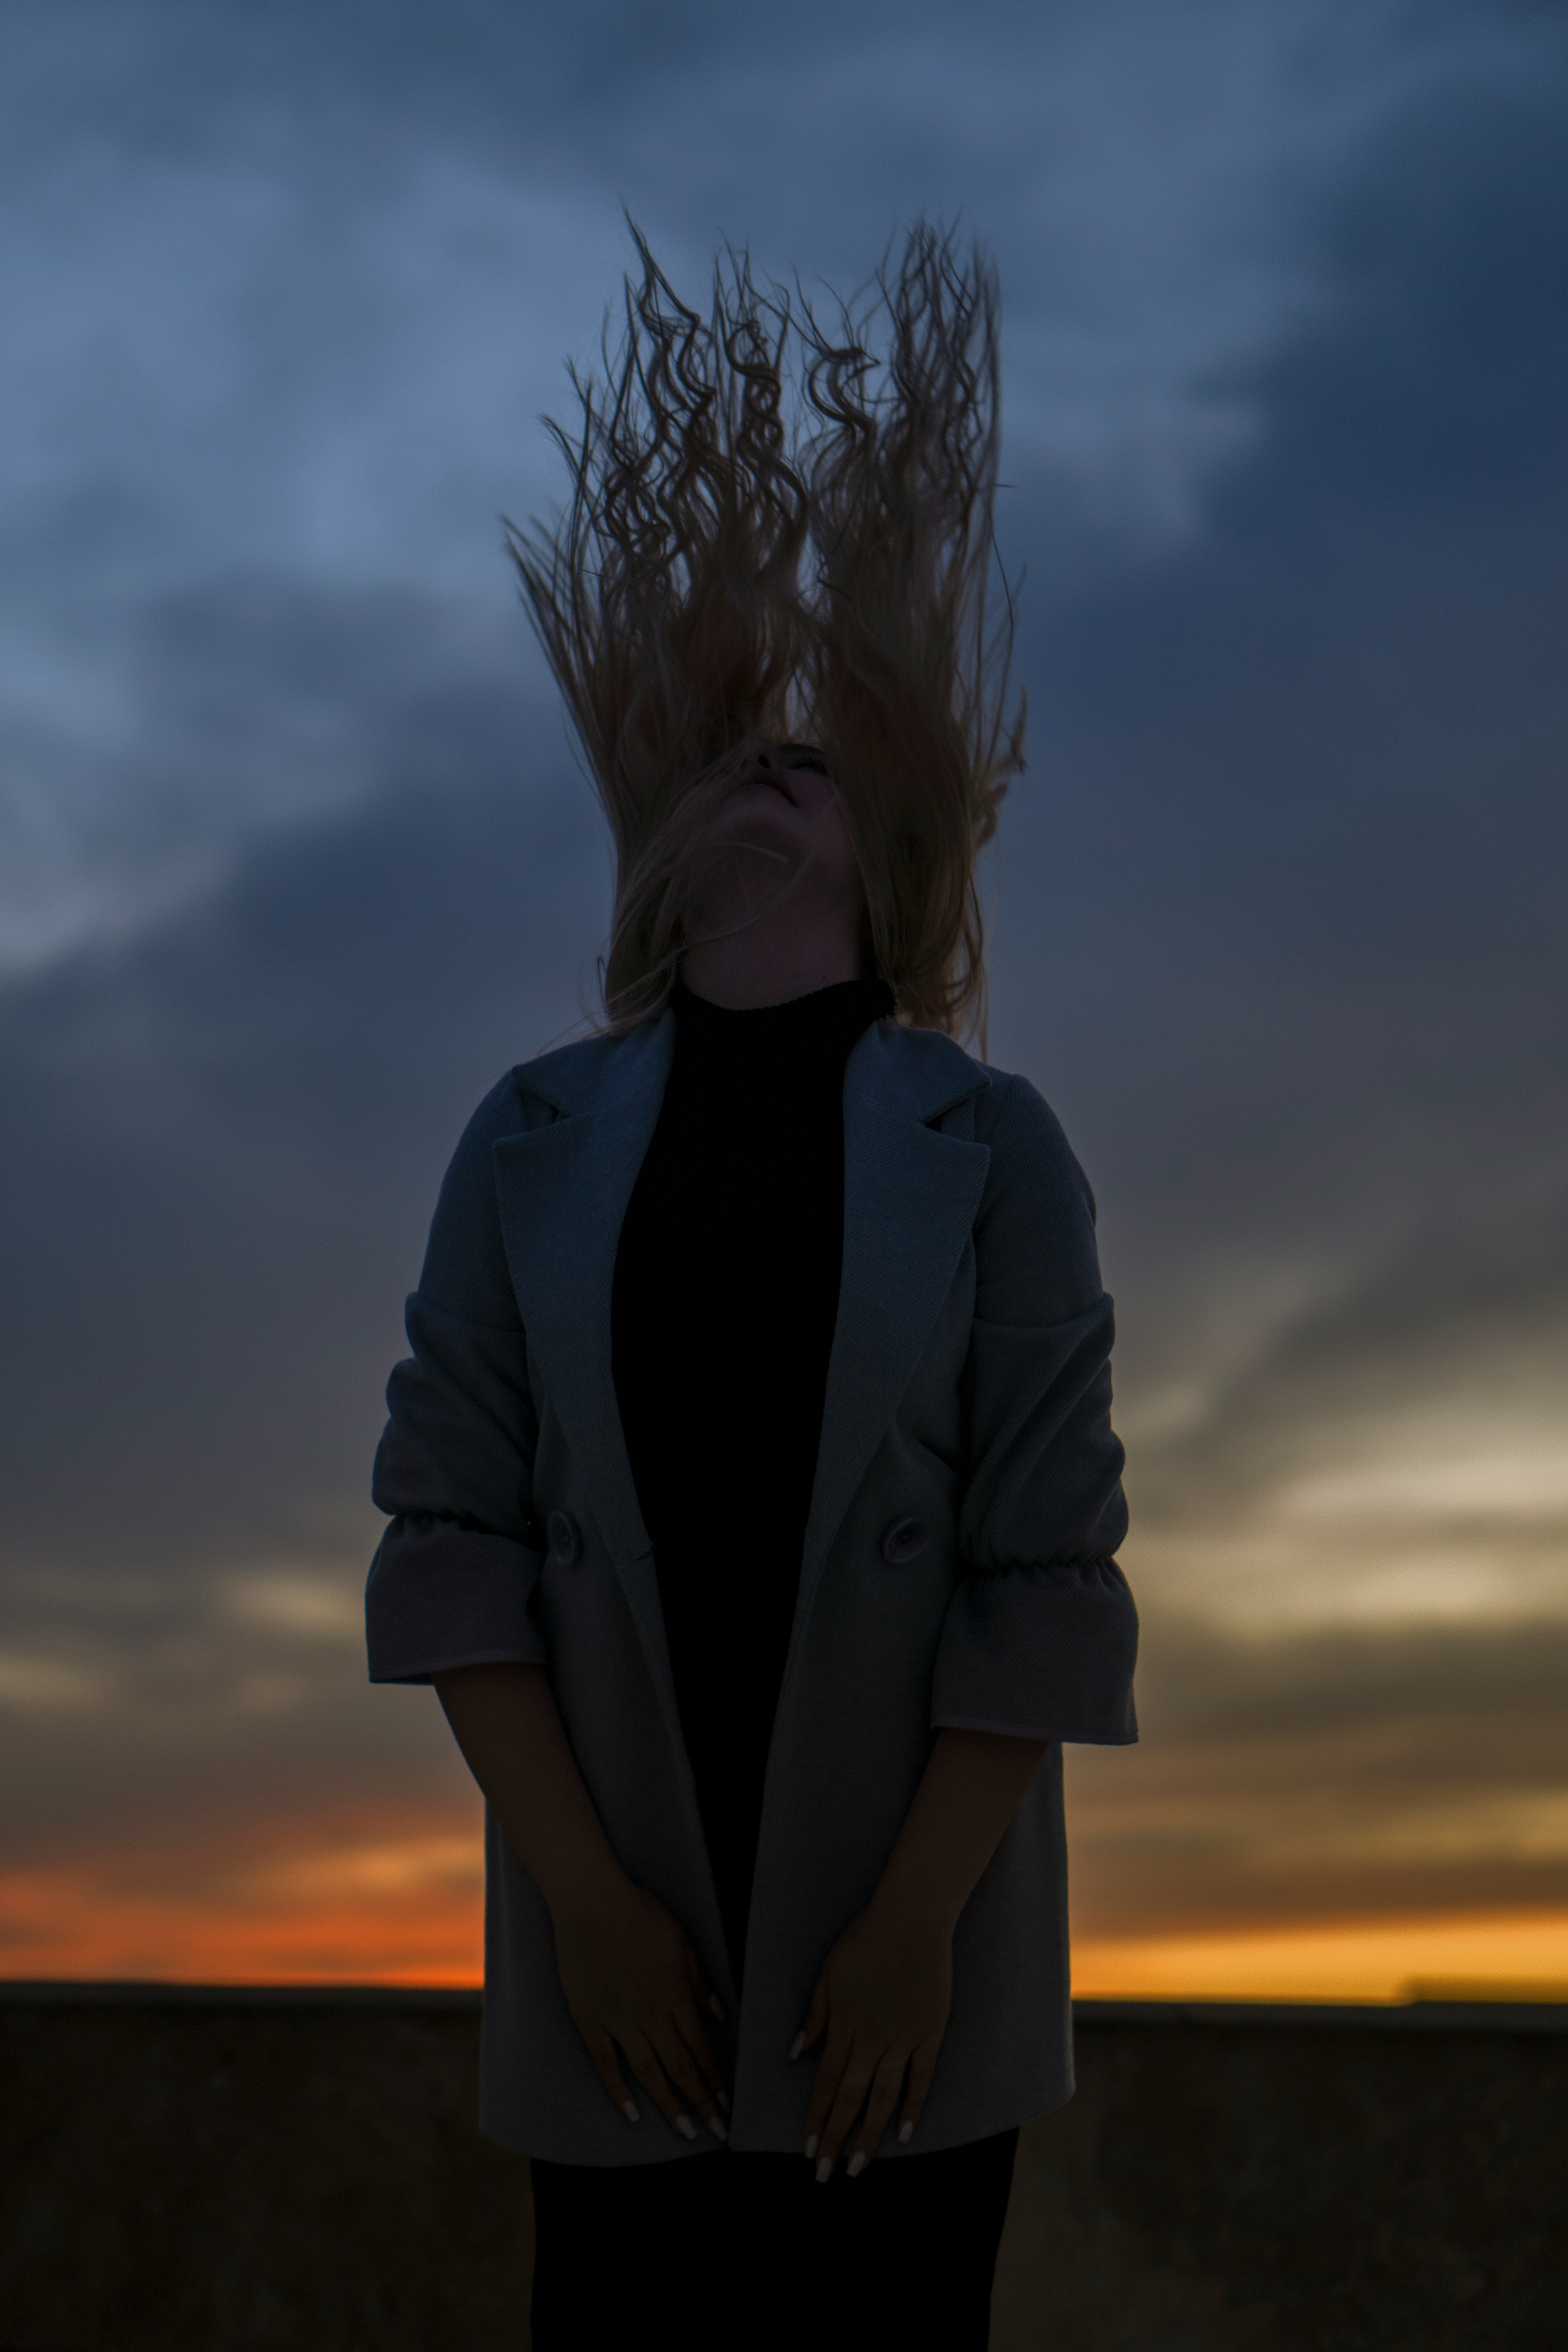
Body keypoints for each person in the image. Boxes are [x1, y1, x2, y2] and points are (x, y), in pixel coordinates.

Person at [365, 225, 1138, 2350]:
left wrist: (912, 1932)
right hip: (626, 1989)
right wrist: (589, 1916)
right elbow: (447, 1540)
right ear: (656, 834)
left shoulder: (993, 1145)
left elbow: (1046, 1569)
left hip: (913, 1992)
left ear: (894, 851)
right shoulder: (524, 1134)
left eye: (814, 751)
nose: (767, 760)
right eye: (729, 749)